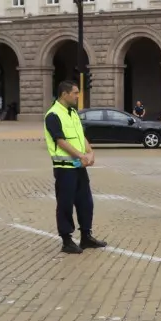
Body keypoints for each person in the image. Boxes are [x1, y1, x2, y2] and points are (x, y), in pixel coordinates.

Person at [44, 80, 107, 255]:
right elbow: (60, 140)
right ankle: (66, 240)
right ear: (64, 94)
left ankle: (86, 236)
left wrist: (90, 152)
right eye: (75, 93)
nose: (78, 96)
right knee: (65, 204)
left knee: (85, 202)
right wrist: (81, 155)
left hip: (79, 166)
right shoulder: (53, 114)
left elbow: (81, 136)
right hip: (64, 167)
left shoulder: (72, 113)